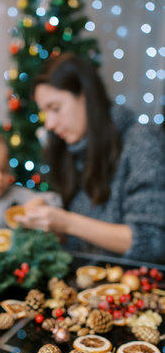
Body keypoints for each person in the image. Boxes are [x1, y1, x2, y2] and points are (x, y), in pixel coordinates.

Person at [16, 53, 165, 263]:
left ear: (86, 97)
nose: (48, 123)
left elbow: (153, 242)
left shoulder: (142, 142)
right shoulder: (69, 147)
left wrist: (66, 223)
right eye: (44, 113)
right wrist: (48, 220)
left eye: (55, 108)